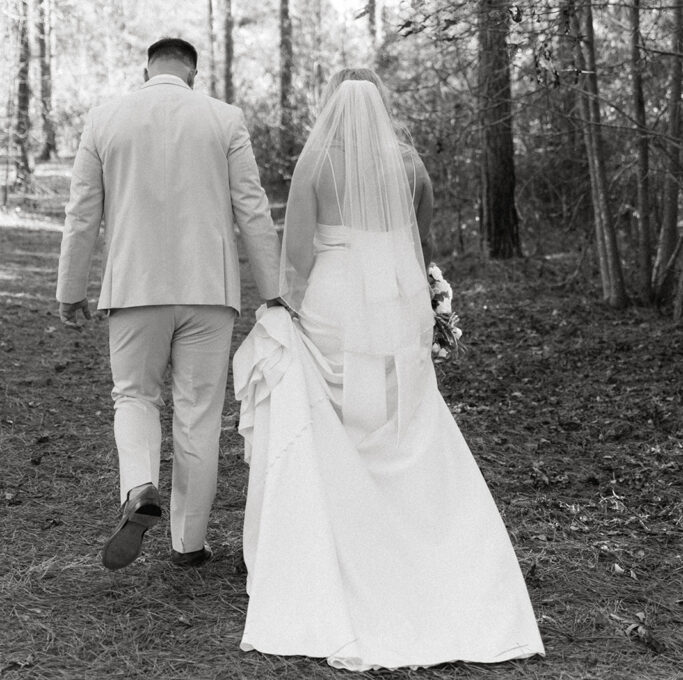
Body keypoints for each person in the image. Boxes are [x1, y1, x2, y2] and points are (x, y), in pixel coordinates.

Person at [233, 68, 545, 671]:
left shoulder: (316, 161)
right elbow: (420, 246)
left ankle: (345, 542)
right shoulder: (410, 165)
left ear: (331, 106)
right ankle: (418, 538)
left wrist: (287, 303)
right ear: (381, 106)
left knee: (340, 422)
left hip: (334, 300)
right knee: (402, 419)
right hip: (398, 305)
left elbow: (296, 253)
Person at [56, 37, 281, 570]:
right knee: (200, 414)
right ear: (193, 74)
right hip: (209, 290)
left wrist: (71, 290)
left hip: (135, 288)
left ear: (146, 69)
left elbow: (82, 213)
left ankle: (138, 487)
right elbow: (252, 207)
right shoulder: (224, 119)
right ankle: (188, 544)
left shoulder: (105, 120)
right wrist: (273, 291)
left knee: (133, 396)